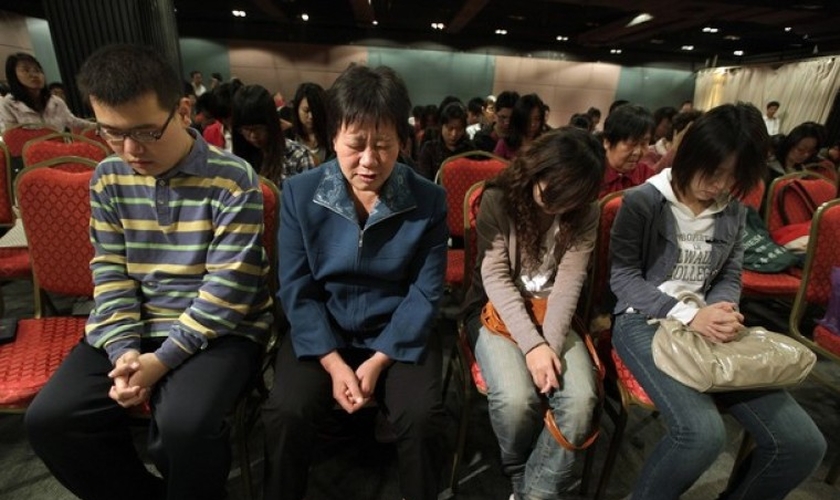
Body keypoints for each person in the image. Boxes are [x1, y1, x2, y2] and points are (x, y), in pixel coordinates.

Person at [24, 44, 273, 500]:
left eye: (145, 131)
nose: (131, 150)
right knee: (51, 421)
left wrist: (161, 361)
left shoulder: (232, 178)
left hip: (216, 329)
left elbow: (227, 289)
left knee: (182, 427)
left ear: (181, 110)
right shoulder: (108, 177)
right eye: (112, 133)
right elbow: (110, 272)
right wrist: (123, 351)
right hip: (132, 327)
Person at [609, 102, 826, 500]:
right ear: (693, 155)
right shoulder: (645, 201)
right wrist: (689, 315)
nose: (719, 186)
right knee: (701, 435)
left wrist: (724, 309)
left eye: (732, 177)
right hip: (645, 320)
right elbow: (623, 278)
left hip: (709, 326)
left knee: (803, 445)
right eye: (713, 172)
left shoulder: (733, 211)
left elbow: (730, 273)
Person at [262, 63, 449, 500]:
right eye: (356, 144)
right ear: (333, 138)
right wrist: (334, 362)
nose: (369, 161)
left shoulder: (428, 200)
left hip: (396, 333)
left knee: (422, 417)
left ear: (402, 142)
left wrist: (378, 359)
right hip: (322, 331)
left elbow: (426, 291)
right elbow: (295, 287)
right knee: (285, 411)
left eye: (383, 145)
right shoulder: (301, 193)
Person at [462, 127, 603, 500]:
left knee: (580, 401)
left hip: (552, 313)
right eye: (551, 192)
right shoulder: (499, 199)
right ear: (536, 169)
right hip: (496, 309)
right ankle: (520, 472)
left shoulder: (585, 213)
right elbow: (494, 277)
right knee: (515, 399)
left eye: (569, 199)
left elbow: (569, 283)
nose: (556, 206)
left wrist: (549, 347)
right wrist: (532, 347)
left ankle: (532, 492)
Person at [232, 84, 315, 185]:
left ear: (272, 123)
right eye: (246, 130)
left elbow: (306, 198)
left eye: (258, 129)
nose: (253, 135)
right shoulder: (237, 158)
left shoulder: (298, 156)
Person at [0, 52, 92, 133]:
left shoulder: (55, 101)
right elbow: (11, 136)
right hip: (26, 151)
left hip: (60, 149)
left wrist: (97, 126)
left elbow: (72, 122)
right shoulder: (8, 104)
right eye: (26, 70)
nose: (34, 75)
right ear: (13, 76)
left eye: (37, 70)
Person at [599, 104, 655, 198]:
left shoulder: (648, 177)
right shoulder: (590, 173)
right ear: (607, 142)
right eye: (631, 144)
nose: (637, 152)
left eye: (644, 144)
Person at [416, 101, 474, 180]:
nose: (454, 134)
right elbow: (424, 180)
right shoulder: (430, 149)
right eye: (450, 128)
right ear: (441, 126)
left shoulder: (470, 150)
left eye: (459, 129)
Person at [494, 93, 547, 160]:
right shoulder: (505, 144)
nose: (532, 124)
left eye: (537, 119)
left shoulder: (545, 144)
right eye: (528, 119)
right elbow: (494, 167)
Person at [290, 82, 332, 165]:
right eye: (306, 110)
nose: (311, 116)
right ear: (297, 109)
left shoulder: (330, 136)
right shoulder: (289, 136)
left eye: (315, 111)